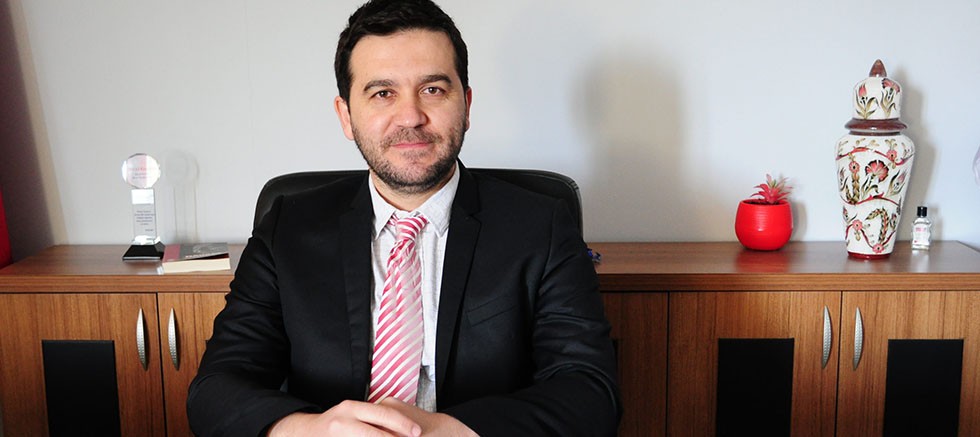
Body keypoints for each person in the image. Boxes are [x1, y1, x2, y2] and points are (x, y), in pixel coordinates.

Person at [186, 0, 621, 435]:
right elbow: (215, 388)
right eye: (383, 93)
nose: (411, 116)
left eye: (433, 90)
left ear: (466, 105)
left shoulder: (541, 225)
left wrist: (452, 432)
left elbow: (591, 392)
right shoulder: (288, 228)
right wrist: (311, 429)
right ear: (346, 116)